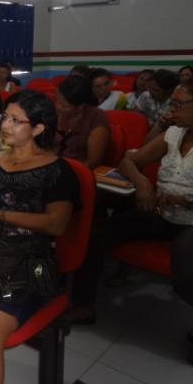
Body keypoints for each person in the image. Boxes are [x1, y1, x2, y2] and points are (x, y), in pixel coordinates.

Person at [0, 90, 79, 384]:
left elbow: (56, 223)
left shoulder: (57, 172)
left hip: (22, 261)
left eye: (16, 120)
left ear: (38, 128)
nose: (5, 124)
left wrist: (2, 215)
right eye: (5, 117)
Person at [71, 79, 193, 330]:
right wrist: (143, 183)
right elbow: (129, 162)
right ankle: (83, 306)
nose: (172, 109)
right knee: (96, 234)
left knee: (185, 254)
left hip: (189, 221)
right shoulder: (173, 134)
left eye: (179, 104)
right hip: (160, 212)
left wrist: (183, 199)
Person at [55, 75, 110, 169]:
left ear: (81, 106)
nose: (58, 107)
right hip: (53, 166)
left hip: (78, 170)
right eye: (57, 100)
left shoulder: (96, 117)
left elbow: (93, 161)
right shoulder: (55, 113)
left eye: (64, 106)